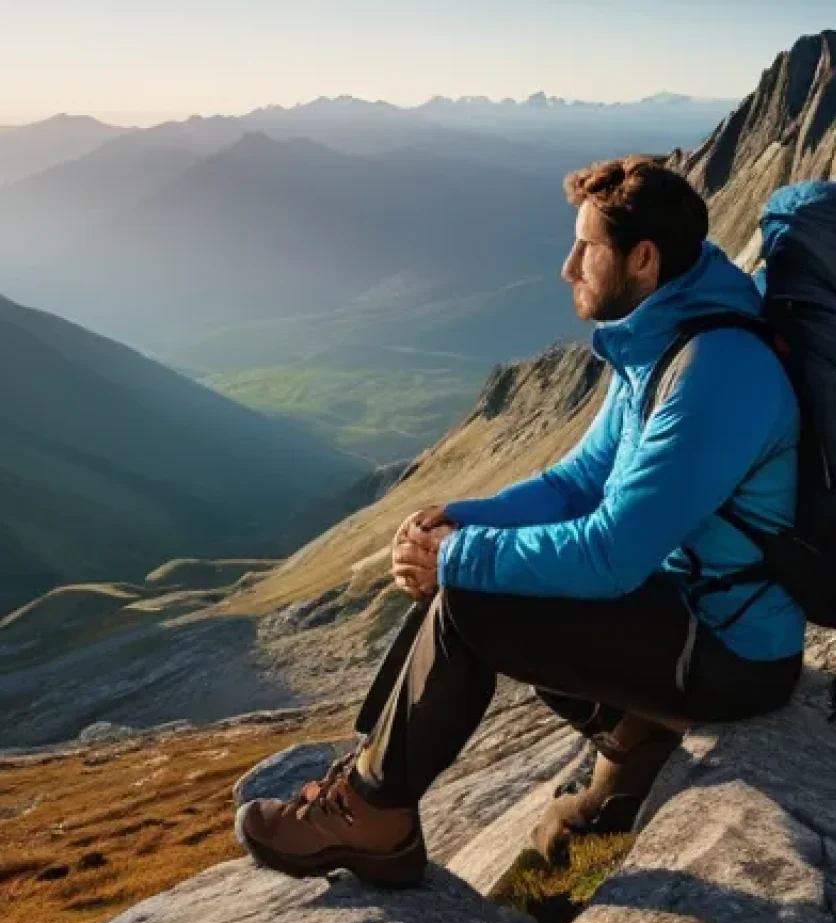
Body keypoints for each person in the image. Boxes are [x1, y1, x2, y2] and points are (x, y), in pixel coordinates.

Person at [235, 156, 805, 886]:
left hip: (732, 656)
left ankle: (374, 813)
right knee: (491, 565)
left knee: (477, 595)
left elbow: (610, 556)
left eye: (585, 249)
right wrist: (457, 520)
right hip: (686, 617)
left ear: (642, 257)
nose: (568, 268)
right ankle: (637, 735)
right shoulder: (664, 341)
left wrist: (458, 561)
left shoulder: (715, 372)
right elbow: (575, 483)